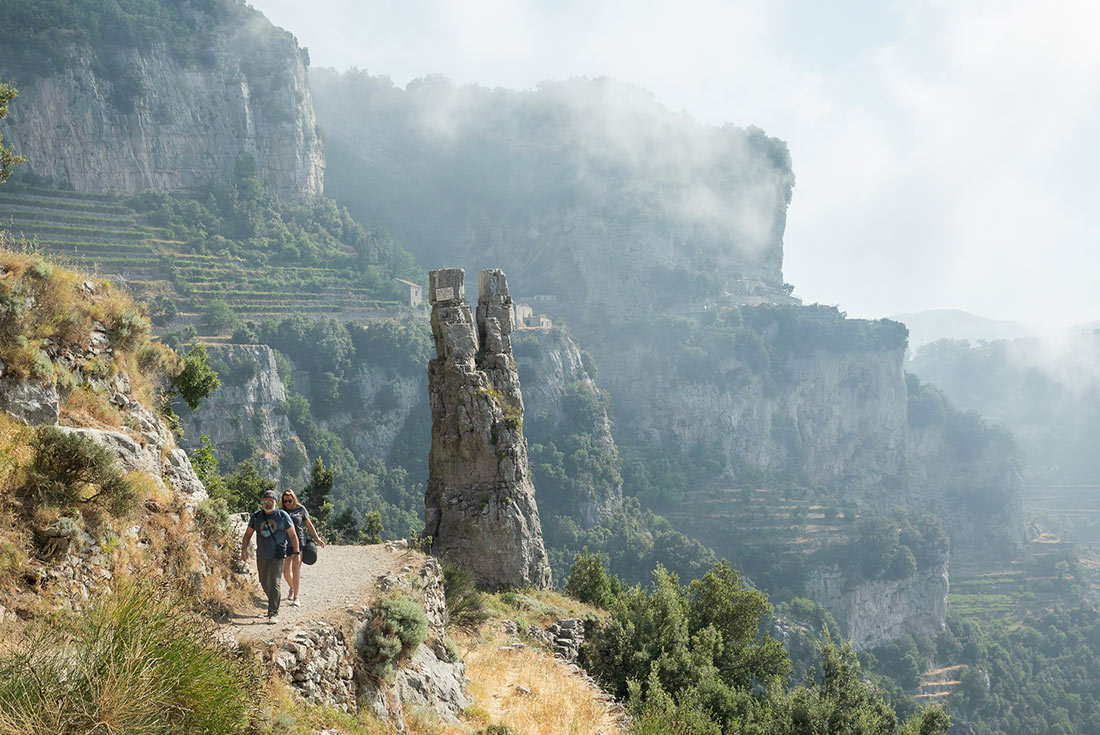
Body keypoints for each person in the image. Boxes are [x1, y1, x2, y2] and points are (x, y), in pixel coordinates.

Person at [240, 489, 300, 624]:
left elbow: (293, 535)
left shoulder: (282, 516)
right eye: (265, 501)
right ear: (262, 502)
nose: (267, 504)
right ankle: (274, 599)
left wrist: (296, 553)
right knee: (263, 581)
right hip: (262, 554)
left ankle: (273, 613)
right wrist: (243, 550)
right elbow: (248, 534)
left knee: (274, 583)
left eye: (270, 501)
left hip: (277, 555)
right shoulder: (257, 516)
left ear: (276, 502)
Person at [280, 488, 325, 606]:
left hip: (298, 543)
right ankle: (292, 587)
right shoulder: (281, 512)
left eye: (289, 500)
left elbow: (309, 525)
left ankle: (296, 597)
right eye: (285, 501)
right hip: (285, 544)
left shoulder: (301, 509)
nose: (287, 503)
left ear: (294, 499)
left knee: (295, 568)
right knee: (285, 571)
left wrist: (317, 538)